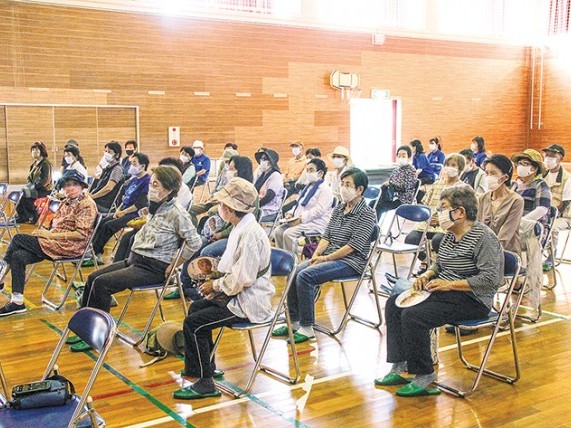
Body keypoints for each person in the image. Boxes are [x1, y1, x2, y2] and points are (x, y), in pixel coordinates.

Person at [375, 186, 503, 397]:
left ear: (460, 212)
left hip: (473, 299)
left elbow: (491, 279)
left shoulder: (484, 238)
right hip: (446, 292)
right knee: (394, 303)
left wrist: (449, 285)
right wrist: (427, 275)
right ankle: (398, 366)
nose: (439, 213)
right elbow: (439, 265)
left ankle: (424, 375)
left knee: (414, 315)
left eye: (443, 208)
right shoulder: (449, 236)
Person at [68, 165, 202, 352]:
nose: (151, 188)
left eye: (155, 184)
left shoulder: (177, 213)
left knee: (102, 284)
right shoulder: (156, 207)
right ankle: (85, 329)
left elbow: (195, 242)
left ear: (168, 190)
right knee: (92, 278)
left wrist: (174, 265)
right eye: (151, 183)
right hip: (135, 261)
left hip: (153, 268)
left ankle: (99, 335)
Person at [173, 177, 273, 400]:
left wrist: (215, 285)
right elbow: (234, 271)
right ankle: (202, 368)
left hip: (248, 302)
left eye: (222, 204)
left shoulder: (250, 234)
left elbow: (243, 278)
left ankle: (205, 383)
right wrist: (213, 278)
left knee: (194, 324)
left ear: (231, 208)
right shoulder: (240, 228)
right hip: (237, 294)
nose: (220, 207)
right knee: (196, 308)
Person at [272, 168, 376, 344]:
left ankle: (307, 327)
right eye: (342, 183)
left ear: (360, 190)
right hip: (329, 256)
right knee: (295, 271)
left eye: (348, 185)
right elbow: (326, 236)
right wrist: (317, 254)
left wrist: (326, 259)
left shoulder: (366, 214)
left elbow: (352, 247)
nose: (343, 188)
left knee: (305, 276)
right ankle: (294, 322)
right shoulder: (340, 208)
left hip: (351, 262)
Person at [0, 170, 97, 317]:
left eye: (74, 184)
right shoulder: (66, 202)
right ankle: (17, 302)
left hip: (70, 246)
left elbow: (81, 234)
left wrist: (49, 235)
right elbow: (57, 225)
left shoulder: (86, 204)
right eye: (67, 185)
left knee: (18, 238)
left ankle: (1, 276)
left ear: (82, 186)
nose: (70, 188)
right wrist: (45, 232)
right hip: (54, 242)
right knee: (18, 256)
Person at [405, 153, 469, 274]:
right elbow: (425, 205)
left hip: (449, 225)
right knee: (411, 239)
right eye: (447, 165)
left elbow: (463, 213)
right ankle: (427, 261)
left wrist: (442, 220)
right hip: (428, 223)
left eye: (453, 165)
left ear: (460, 169)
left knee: (438, 240)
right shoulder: (437, 184)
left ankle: (439, 267)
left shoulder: (463, 188)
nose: (449, 167)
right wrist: (428, 217)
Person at [91, 153, 151, 262]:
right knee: (102, 222)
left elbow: (140, 203)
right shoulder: (134, 180)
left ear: (142, 166)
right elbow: (125, 199)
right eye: (131, 163)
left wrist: (123, 212)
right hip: (123, 211)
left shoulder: (147, 181)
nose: (131, 166)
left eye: (134, 163)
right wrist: (118, 210)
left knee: (108, 226)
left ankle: (95, 253)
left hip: (134, 214)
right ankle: (92, 251)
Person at [273, 158, 334, 253]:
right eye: (307, 170)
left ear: (320, 173)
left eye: (311, 170)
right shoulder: (308, 187)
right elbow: (299, 204)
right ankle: (282, 257)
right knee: (278, 231)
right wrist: (290, 213)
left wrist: (301, 219)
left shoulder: (325, 190)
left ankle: (292, 259)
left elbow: (319, 211)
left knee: (288, 234)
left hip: (316, 223)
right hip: (301, 220)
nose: (308, 173)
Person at [478, 154, 524, 254]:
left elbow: (505, 236)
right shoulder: (483, 198)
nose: (489, 177)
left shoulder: (516, 201)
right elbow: (477, 228)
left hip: (505, 252)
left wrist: (485, 253)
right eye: (487, 173)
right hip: (482, 250)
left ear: (505, 177)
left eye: (493, 173)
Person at [541, 144, 571, 265]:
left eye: (553, 156)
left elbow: (564, 204)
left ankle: (551, 255)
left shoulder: (567, 179)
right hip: (545, 213)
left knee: (552, 227)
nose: (549, 158)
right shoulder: (543, 176)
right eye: (547, 155)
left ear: (561, 158)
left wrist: (549, 215)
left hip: (563, 216)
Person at [376, 145, 418, 220]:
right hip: (392, 197)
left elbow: (406, 187)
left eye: (403, 156)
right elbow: (390, 181)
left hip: (403, 199)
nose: (401, 157)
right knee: (373, 203)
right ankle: (368, 225)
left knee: (379, 207)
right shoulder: (396, 170)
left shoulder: (412, 171)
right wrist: (386, 185)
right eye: (399, 155)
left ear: (409, 158)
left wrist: (392, 184)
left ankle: (373, 226)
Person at [16, 142, 53, 224]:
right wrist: (29, 186)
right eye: (33, 150)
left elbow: (46, 179)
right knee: (20, 196)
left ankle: (34, 215)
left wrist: (34, 187)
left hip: (43, 189)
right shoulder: (34, 164)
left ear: (41, 151)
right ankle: (23, 216)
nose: (34, 151)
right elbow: (29, 178)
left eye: (36, 149)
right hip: (33, 188)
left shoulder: (45, 163)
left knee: (25, 199)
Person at [511, 149, 552, 224]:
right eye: (519, 163)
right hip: (512, 224)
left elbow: (542, 209)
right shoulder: (514, 185)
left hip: (532, 226)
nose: (520, 166)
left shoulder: (540, 185)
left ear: (534, 168)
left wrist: (521, 222)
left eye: (525, 163)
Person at [90, 141, 124, 213]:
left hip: (103, 204)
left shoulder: (117, 169)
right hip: (98, 200)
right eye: (105, 151)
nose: (106, 154)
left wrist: (92, 197)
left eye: (109, 152)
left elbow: (109, 188)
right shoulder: (107, 168)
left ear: (117, 155)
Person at [254, 148, 285, 222]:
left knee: (243, 216)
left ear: (270, 162)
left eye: (264, 159)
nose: (261, 161)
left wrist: (255, 206)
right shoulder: (263, 174)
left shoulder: (276, 176)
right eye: (261, 159)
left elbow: (269, 196)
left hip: (269, 210)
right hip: (259, 207)